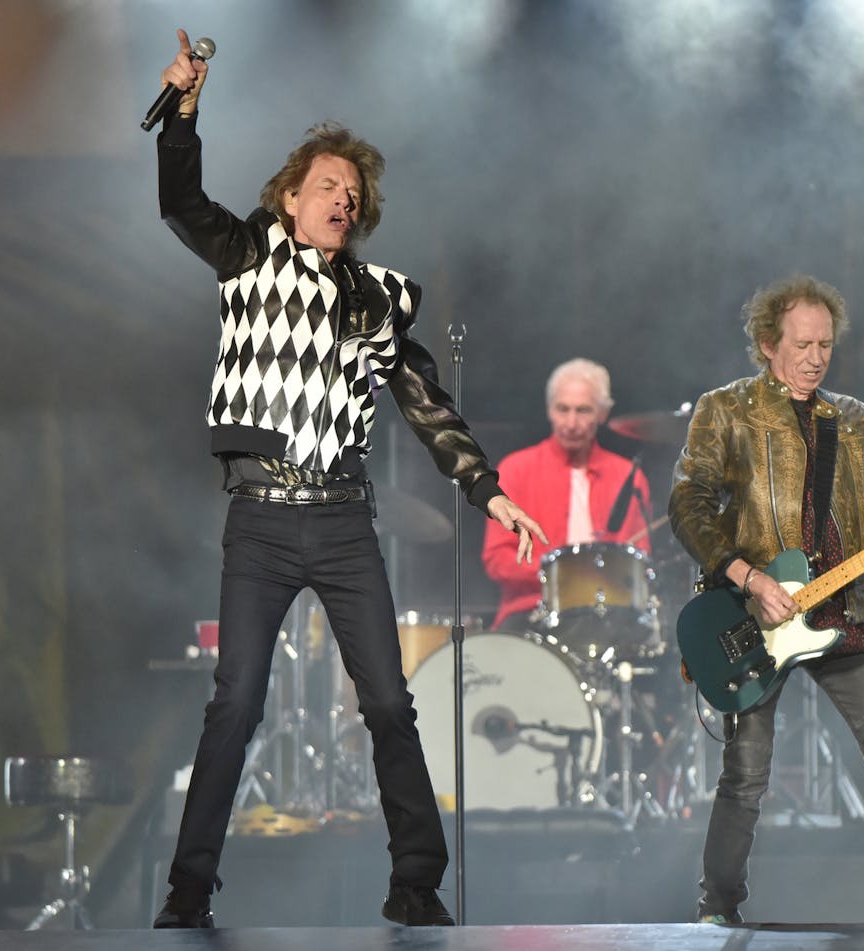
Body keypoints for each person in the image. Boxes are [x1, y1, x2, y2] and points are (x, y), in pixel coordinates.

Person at [150, 30, 548, 929]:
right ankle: (187, 888)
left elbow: (425, 404)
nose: (343, 197)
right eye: (326, 184)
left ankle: (417, 881)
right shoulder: (246, 256)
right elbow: (179, 200)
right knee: (237, 702)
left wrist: (489, 489)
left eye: (353, 192)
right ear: (289, 197)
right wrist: (183, 107)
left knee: (388, 701)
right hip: (258, 518)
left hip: (339, 520)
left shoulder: (373, 300)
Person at [667, 274, 864, 924]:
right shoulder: (726, 409)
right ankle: (719, 908)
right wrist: (747, 577)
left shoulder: (853, 418)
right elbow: (688, 502)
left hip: (841, 608)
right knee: (746, 772)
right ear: (769, 343)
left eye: (826, 343)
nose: (816, 356)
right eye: (803, 342)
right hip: (755, 611)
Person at [481, 358, 650, 631]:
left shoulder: (628, 477)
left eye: (583, 411)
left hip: (606, 614)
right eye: (563, 409)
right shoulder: (515, 470)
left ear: (603, 414)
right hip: (529, 612)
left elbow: (636, 561)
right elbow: (497, 559)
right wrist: (560, 573)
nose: (571, 423)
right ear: (549, 410)